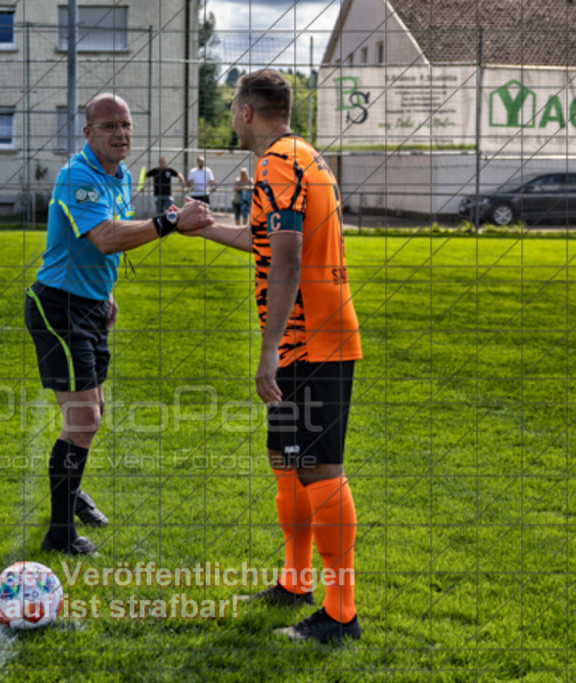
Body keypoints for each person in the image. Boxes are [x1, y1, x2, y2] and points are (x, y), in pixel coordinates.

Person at [178, 68, 362, 644]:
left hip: (311, 341)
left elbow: (285, 261)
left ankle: (340, 614)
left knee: (318, 468)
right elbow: (266, 239)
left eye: (233, 107)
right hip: (312, 337)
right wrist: (208, 231)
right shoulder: (302, 155)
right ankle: (294, 581)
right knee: (288, 462)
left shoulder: (278, 164)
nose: (232, 116)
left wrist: (269, 351)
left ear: (247, 111)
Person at [25, 93, 213, 556]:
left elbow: (107, 238)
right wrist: (171, 220)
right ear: (88, 133)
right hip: (59, 307)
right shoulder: (77, 177)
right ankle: (59, 533)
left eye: (126, 125)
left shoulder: (121, 176)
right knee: (83, 417)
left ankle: (71, 493)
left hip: (89, 306)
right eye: (109, 126)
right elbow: (106, 237)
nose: (121, 133)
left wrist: (107, 293)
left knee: (92, 414)